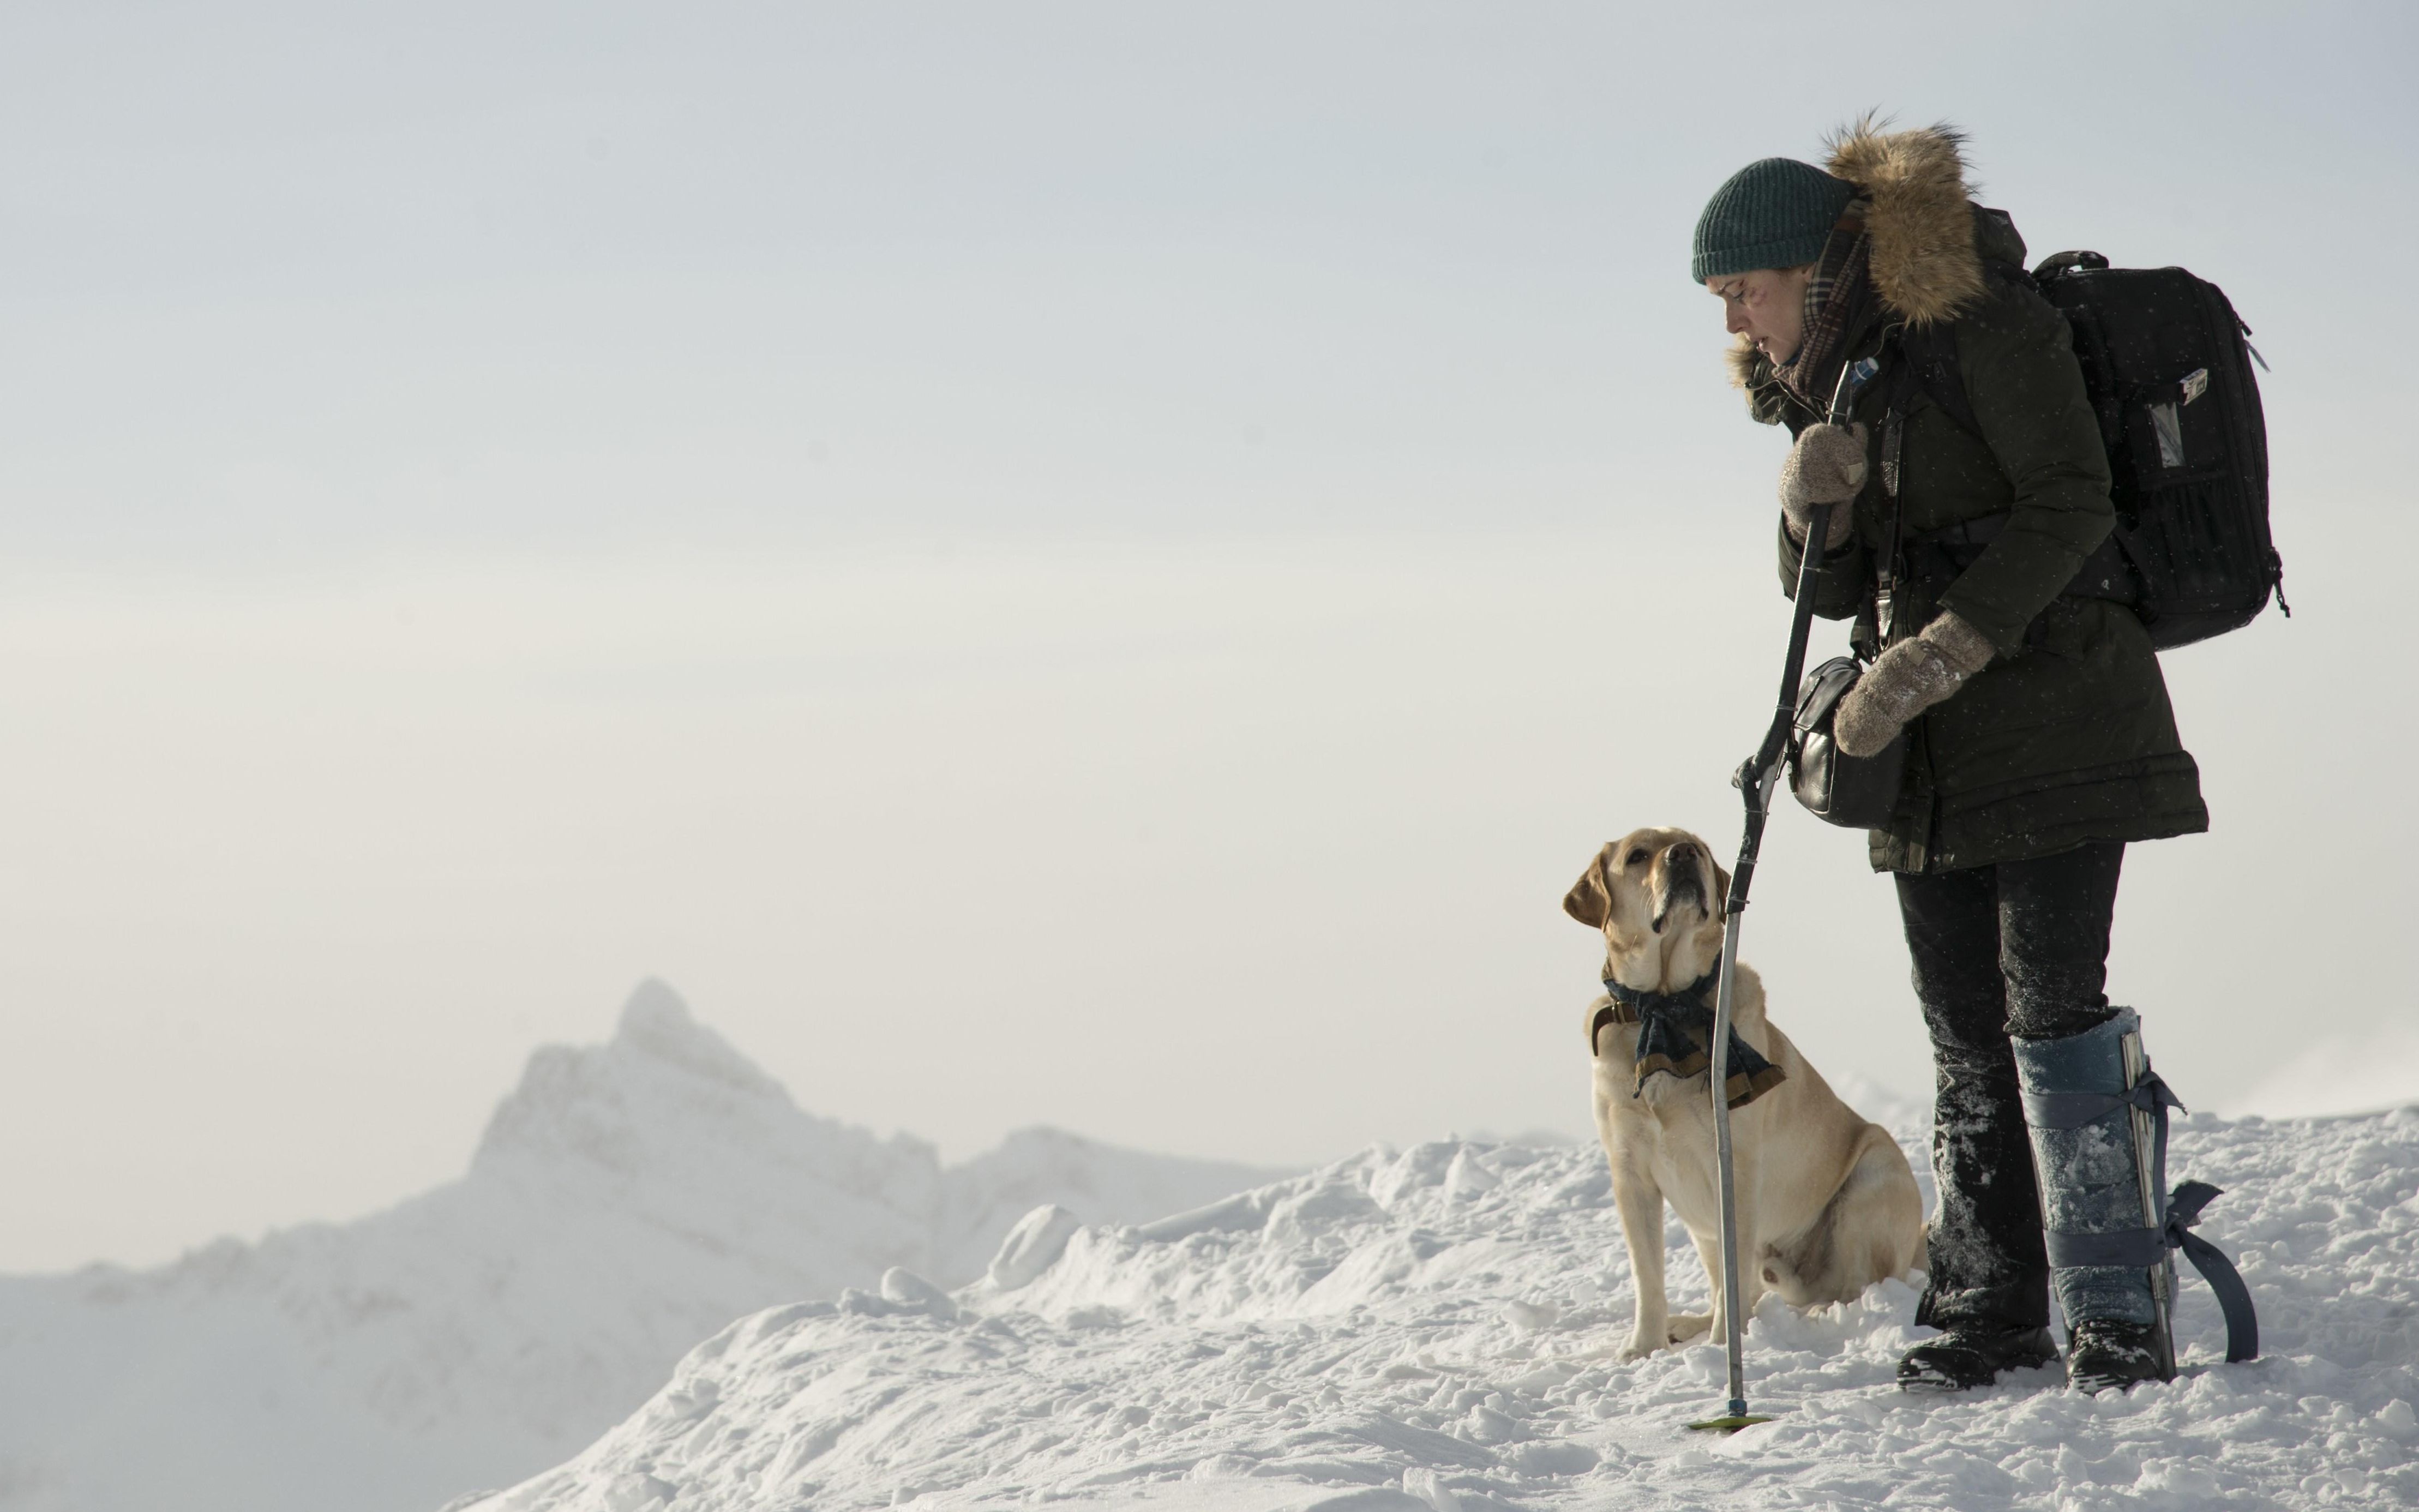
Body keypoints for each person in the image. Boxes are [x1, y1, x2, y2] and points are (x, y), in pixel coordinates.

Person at [1690, 121, 2208, 1394]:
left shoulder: (1983, 324)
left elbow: (2069, 502)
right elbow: (1839, 589)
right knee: (1965, 1031)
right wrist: (1808, 508)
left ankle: (2113, 1305)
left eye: (1743, 294)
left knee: (2050, 1015)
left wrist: (1937, 654)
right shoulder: (1843, 377)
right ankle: (1989, 1303)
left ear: (1811, 270)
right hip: (1925, 757)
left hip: (2058, 724)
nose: (1738, 326)